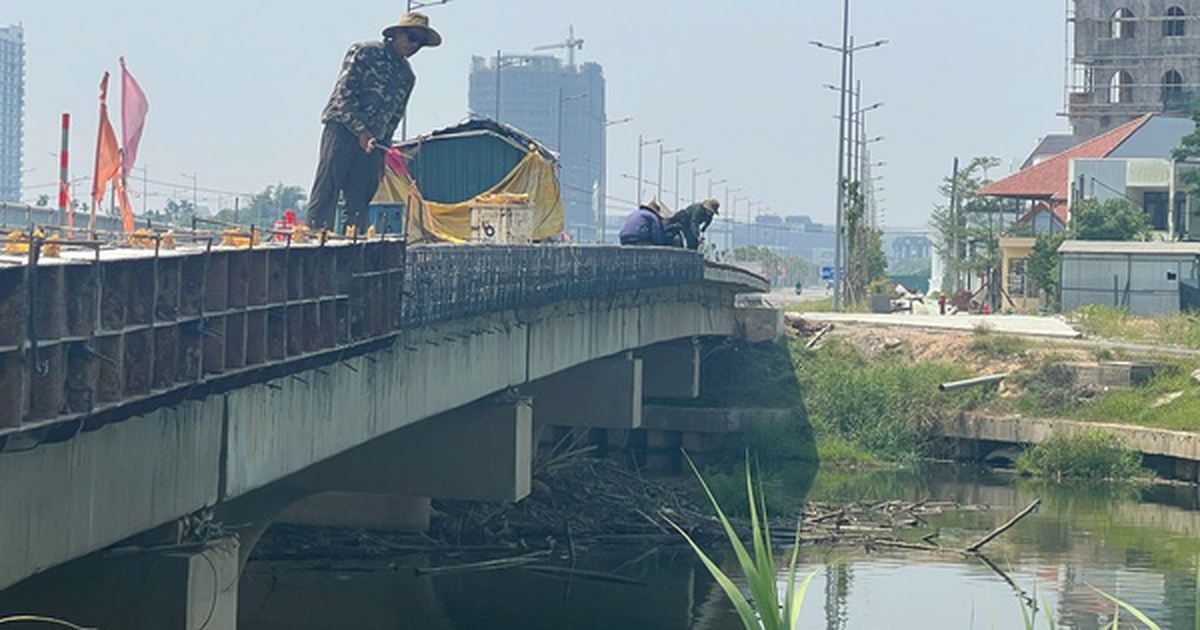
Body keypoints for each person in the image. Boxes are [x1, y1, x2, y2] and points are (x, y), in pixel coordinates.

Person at [305, 12, 442, 233]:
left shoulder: (407, 76)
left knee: (361, 196)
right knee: (328, 188)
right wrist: (361, 131)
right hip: (343, 129)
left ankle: (351, 245)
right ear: (396, 34)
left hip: (374, 143)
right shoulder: (365, 52)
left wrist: (383, 146)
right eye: (412, 37)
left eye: (420, 42)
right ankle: (315, 240)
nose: (415, 45)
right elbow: (343, 96)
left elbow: (394, 117)